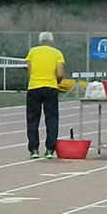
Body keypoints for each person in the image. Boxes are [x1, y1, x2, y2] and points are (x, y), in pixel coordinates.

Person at [25, 31, 65, 159]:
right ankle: (49, 149)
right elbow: (59, 74)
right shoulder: (57, 53)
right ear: (51, 41)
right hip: (50, 87)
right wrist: (57, 81)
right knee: (52, 118)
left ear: (39, 41)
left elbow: (29, 71)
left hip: (34, 87)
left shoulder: (32, 52)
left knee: (32, 119)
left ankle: (34, 149)